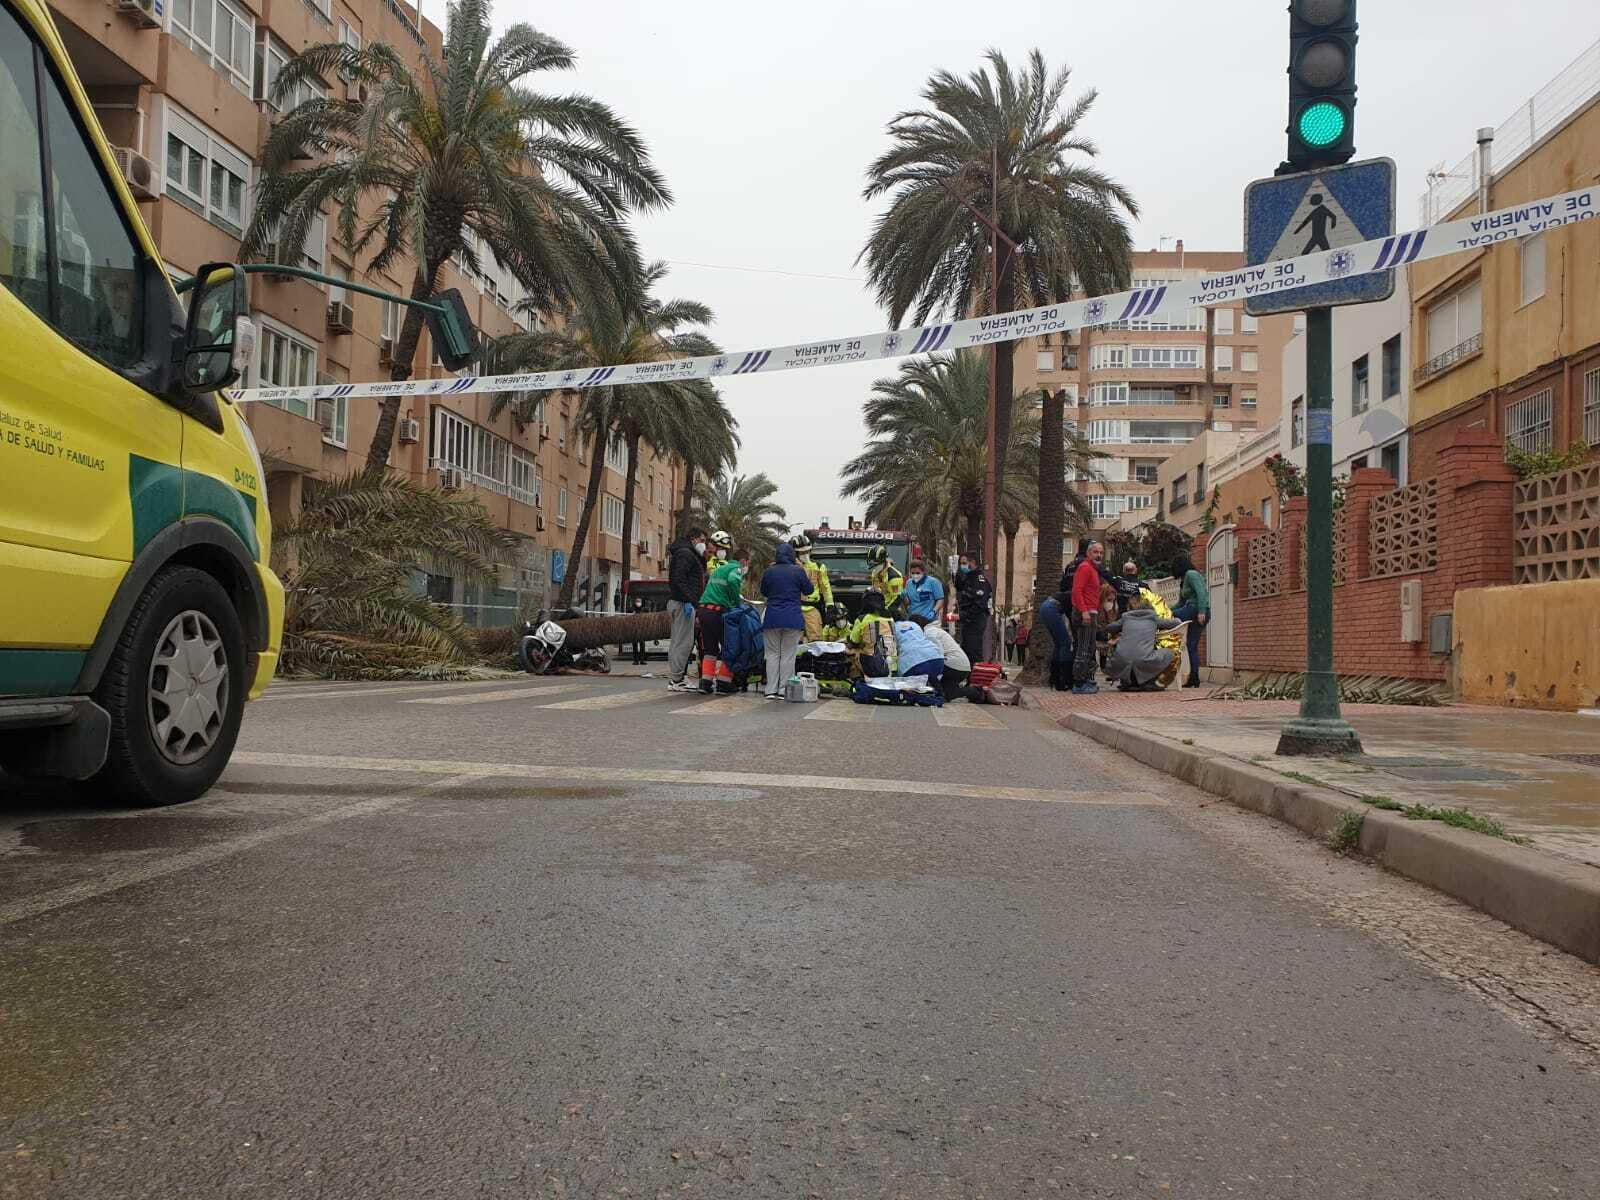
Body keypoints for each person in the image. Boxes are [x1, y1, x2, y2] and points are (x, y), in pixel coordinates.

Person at [759, 541, 810, 699]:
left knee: (772, 655)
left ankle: (770, 690)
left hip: (772, 618)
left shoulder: (769, 571)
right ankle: (783, 690)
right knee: (788, 655)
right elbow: (809, 590)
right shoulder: (798, 571)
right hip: (792, 619)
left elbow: (764, 591)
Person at [696, 547, 750, 692]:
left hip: (704, 611)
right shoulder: (736, 568)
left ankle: (705, 683)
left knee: (710, 649)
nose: (745, 567)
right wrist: (736, 603)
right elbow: (733, 581)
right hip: (718, 612)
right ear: (743, 561)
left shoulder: (720, 569)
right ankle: (724, 683)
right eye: (746, 564)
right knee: (729, 647)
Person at [1103, 594, 1182, 691]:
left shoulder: (1125, 617)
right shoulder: (1152, 618)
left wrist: (1120, 630)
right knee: (1169, 653)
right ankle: (1150, 682)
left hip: (1121, 661)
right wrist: (1177, 618)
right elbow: (1175, 623)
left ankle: (1127, 682)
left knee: (1129, 653)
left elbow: (1109, 627)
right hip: (1143, 660)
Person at [665, 526, 708, 691]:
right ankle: (676, 679)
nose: (704, 544)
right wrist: (690, 601)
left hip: (683, 602)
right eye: (702, 540)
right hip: (683, 604)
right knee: (682, 642)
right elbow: (679, 579)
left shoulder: (687, 553)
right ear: (694, 539)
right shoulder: (685, 554)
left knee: (680, 641)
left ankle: (678, 677)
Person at [1171, 553, 1211, 689]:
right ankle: (1194, 678)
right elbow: (1180, 603)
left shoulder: (1191, 574)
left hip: (1196, 610)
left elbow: (1201, 592)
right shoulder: (1184, 580)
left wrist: (1201, 611)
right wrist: (1166, 608)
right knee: (1191, 646)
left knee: (1169, 617)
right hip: (1191, 610)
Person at [1071, 540, 1104, 694]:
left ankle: (1085, 680)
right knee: (1084, 649)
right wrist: (1084, 611)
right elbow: (1077, 591)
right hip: (1085, 613)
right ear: (1089, 553)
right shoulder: (1085, 568)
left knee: (1090, 648)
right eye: (1096, 552)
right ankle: (1079, 683)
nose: (1099, 555)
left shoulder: (1093, 569)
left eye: (1101, 553)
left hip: (1091, 613)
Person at [917, 613, 972, 700]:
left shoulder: (929, 633)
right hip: (961, 667)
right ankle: (976, 691)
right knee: (947, 694)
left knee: (928, 666)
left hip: (954, 666)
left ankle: (932, 690)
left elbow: (938, 656)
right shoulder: (934, 630)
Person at [790, 533, 833, 642]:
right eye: (802, 552)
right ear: (794, 553)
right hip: (793, 608)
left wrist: (830, 605)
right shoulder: (789, 568)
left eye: (807, 551)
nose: (805, 554)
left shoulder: (819, 567)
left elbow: (825, 587)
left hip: (812, 608)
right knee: (794, 640)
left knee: (815, 640)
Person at [954, 552, 994, 666]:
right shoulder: (969, 578)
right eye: (960, 564)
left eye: (964, 563)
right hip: (968, 621)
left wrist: (963, 615)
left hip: (976, 620)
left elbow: (979, 605)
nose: (962, 566)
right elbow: (959, 586)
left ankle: (978, 681)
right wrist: (954, 572)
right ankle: (971, 679)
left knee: (974, 651)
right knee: (967, 650)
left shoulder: (979, 581)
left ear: (973, 562)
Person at [849, 589, 898, 676]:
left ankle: (856, 682)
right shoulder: (891, 619)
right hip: (892, 666)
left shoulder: (862, 619)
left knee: (852, 651)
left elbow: (854, 642)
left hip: (873, 667)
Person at [893, 615, 945, 690]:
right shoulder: (914, 624)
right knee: (930, 676)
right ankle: (938, 694)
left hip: (912, 665)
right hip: (937, 659)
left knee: (908, 685)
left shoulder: (892, 627)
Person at [902, 560, 946, 625]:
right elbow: (908, 602)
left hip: (928, 620)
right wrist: (904, 597)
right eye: (913, 573)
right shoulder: (909, 583)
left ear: (923, 572)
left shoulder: (933, 582)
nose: (915, 575)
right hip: (913, 620)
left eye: (917, 573)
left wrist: (933, 611)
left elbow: (940, 599)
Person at [868, 545, 905, 614]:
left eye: (876, 564)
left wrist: (885, 611)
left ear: (883, 561)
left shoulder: (894, 577)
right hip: (878, 608)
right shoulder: (875, 572)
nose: (874, 567)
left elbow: (897, 599)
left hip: (891, 611)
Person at [629, 594, 648, 666]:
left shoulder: (644, 609)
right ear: (635, 602)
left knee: (642, 645)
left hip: (641, 629)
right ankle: (636, 660)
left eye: (639, 601)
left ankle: (642, 660)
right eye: (637, 601)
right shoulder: (632, 609)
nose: (638, 602)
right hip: (634, 629)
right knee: (635, 646)